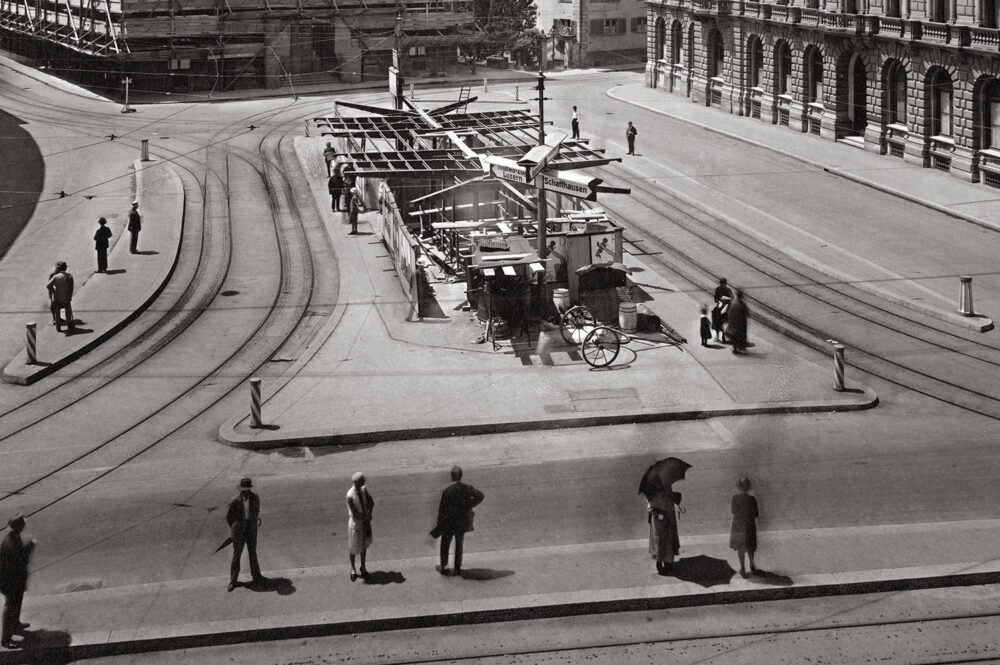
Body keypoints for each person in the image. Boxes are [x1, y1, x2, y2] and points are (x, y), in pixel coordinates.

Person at [431, 465, 484, 577]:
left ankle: (444, 566)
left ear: (451, 477)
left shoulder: (447, 491)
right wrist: (470, 505)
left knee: (445, 544)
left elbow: (442, 510)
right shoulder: (467, 488)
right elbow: (480, 496)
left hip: (449, 522)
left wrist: (440, 525)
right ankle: (457, 568)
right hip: (462, 522)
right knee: (459, 545)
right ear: (461, 476)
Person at [0, 514, 35, 649]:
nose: (25, 526)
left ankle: (15, 625)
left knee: (16, 604)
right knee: (10, 608)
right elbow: (20, 559)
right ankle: (5, 639)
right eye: (23, 524)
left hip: (15, 579)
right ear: (19, 527)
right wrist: (31, 546)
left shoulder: (13, 537)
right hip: (10, 581)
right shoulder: (10, 542)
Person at [225, 477, 264, 591]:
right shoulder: (234, 501)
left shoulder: (255, 497)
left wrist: (252, 522)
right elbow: (229, 517)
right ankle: (233, 581)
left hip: (251, 530)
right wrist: (234, 529)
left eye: (248, 489)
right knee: (237, 555)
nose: (247, 492)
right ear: (241, 490)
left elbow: (256, 510)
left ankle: (257, 577)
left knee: (253, 553)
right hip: (239, 531)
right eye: (245, 490)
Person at [346, 472, 374, 581]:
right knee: (353, 548)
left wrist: (370, 513)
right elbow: (354, 513)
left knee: (364, 547)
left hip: (365, 523)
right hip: (356, 525)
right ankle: (352, 569)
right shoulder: (350, 495)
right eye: (362, 481)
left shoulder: (364, 490)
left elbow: (371, 502)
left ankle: (363, 567)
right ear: (358, 482)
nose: (364, 483)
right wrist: (366, 518)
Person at [730, 476, 759, 577]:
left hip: (738, 526)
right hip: (749, 526)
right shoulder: (752, 499)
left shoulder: (735, 498)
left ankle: (742, 568)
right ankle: (752, 564)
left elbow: (733, 511)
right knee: (750, 547)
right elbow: (756, 514)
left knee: (740, 548)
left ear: (739, 487)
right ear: (748, 487)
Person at [648, 487, 681, 575]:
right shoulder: (653, 490)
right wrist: (661, 516)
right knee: (659, 542)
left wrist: (674, 496)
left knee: (669, 541)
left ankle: (668, 563)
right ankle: (659, 564)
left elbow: (668, 499)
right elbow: (650, 508)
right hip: (659, 521)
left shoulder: (666, 486)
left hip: (669, 517)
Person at [46, 261, 75, 333]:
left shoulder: (55, 276)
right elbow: (71, 288)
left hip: (56, 298)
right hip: (66, 297)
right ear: (65, 268)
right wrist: (69, 296)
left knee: (57, 313)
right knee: (68, 312)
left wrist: (53, 291)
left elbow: (48, 285)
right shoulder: (70, 276)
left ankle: (58, 328)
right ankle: (69, 326)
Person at [727, 290, 749, 354]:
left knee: (734, 337)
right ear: (741, 296)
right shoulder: (742, 304)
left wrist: (730, 322)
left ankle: (735, 349)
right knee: (740, 336)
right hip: (741, 323)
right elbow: (747, 313)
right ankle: (740, 347)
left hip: (733, 323)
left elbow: (729, 313)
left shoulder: (733, 303)